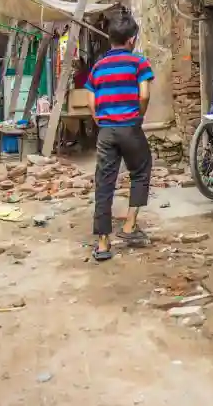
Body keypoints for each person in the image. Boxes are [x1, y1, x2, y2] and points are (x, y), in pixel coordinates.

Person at [84, 13, 154, 262]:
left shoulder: (98, 66)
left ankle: (103, 244)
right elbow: (144, 95)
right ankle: (129, 226)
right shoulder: (139, 63)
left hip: (106, 130)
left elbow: (90, 100)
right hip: (130, 127)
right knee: (141, 170)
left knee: (104, 182)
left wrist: (100, 121)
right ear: (132, 39)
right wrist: (138, 116)